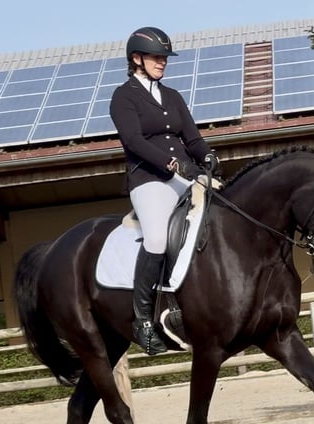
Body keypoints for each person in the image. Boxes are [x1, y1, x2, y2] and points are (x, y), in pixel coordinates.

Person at [110, 26, 220, 355]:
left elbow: (193, 138)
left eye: (164, 58)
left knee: (226, 215)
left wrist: (208, 155)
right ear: (136, 58)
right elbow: (134, 141)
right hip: (149, 179)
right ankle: (144, 320)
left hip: (186, 174)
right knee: (157, 238)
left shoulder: (172, 96)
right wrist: (172, 164)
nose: (162, 63)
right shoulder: (124, 97)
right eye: (157, 57)